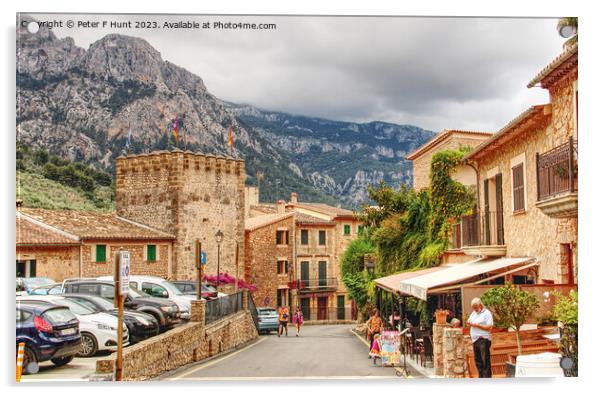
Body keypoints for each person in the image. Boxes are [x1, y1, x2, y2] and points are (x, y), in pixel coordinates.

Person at [466, 297, 494, 378]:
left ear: (480, 305)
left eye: (476, 307)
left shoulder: (487, 313)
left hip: (483, 339)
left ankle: (487, 378)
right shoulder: (474, 313)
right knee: (478, 361)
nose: (475, 309)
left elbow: (490, 327)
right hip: (475, 340)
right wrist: (468, 323)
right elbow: (468, 322)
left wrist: (478, 326)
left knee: (485, 360)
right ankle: (481, 377)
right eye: (473, 308)